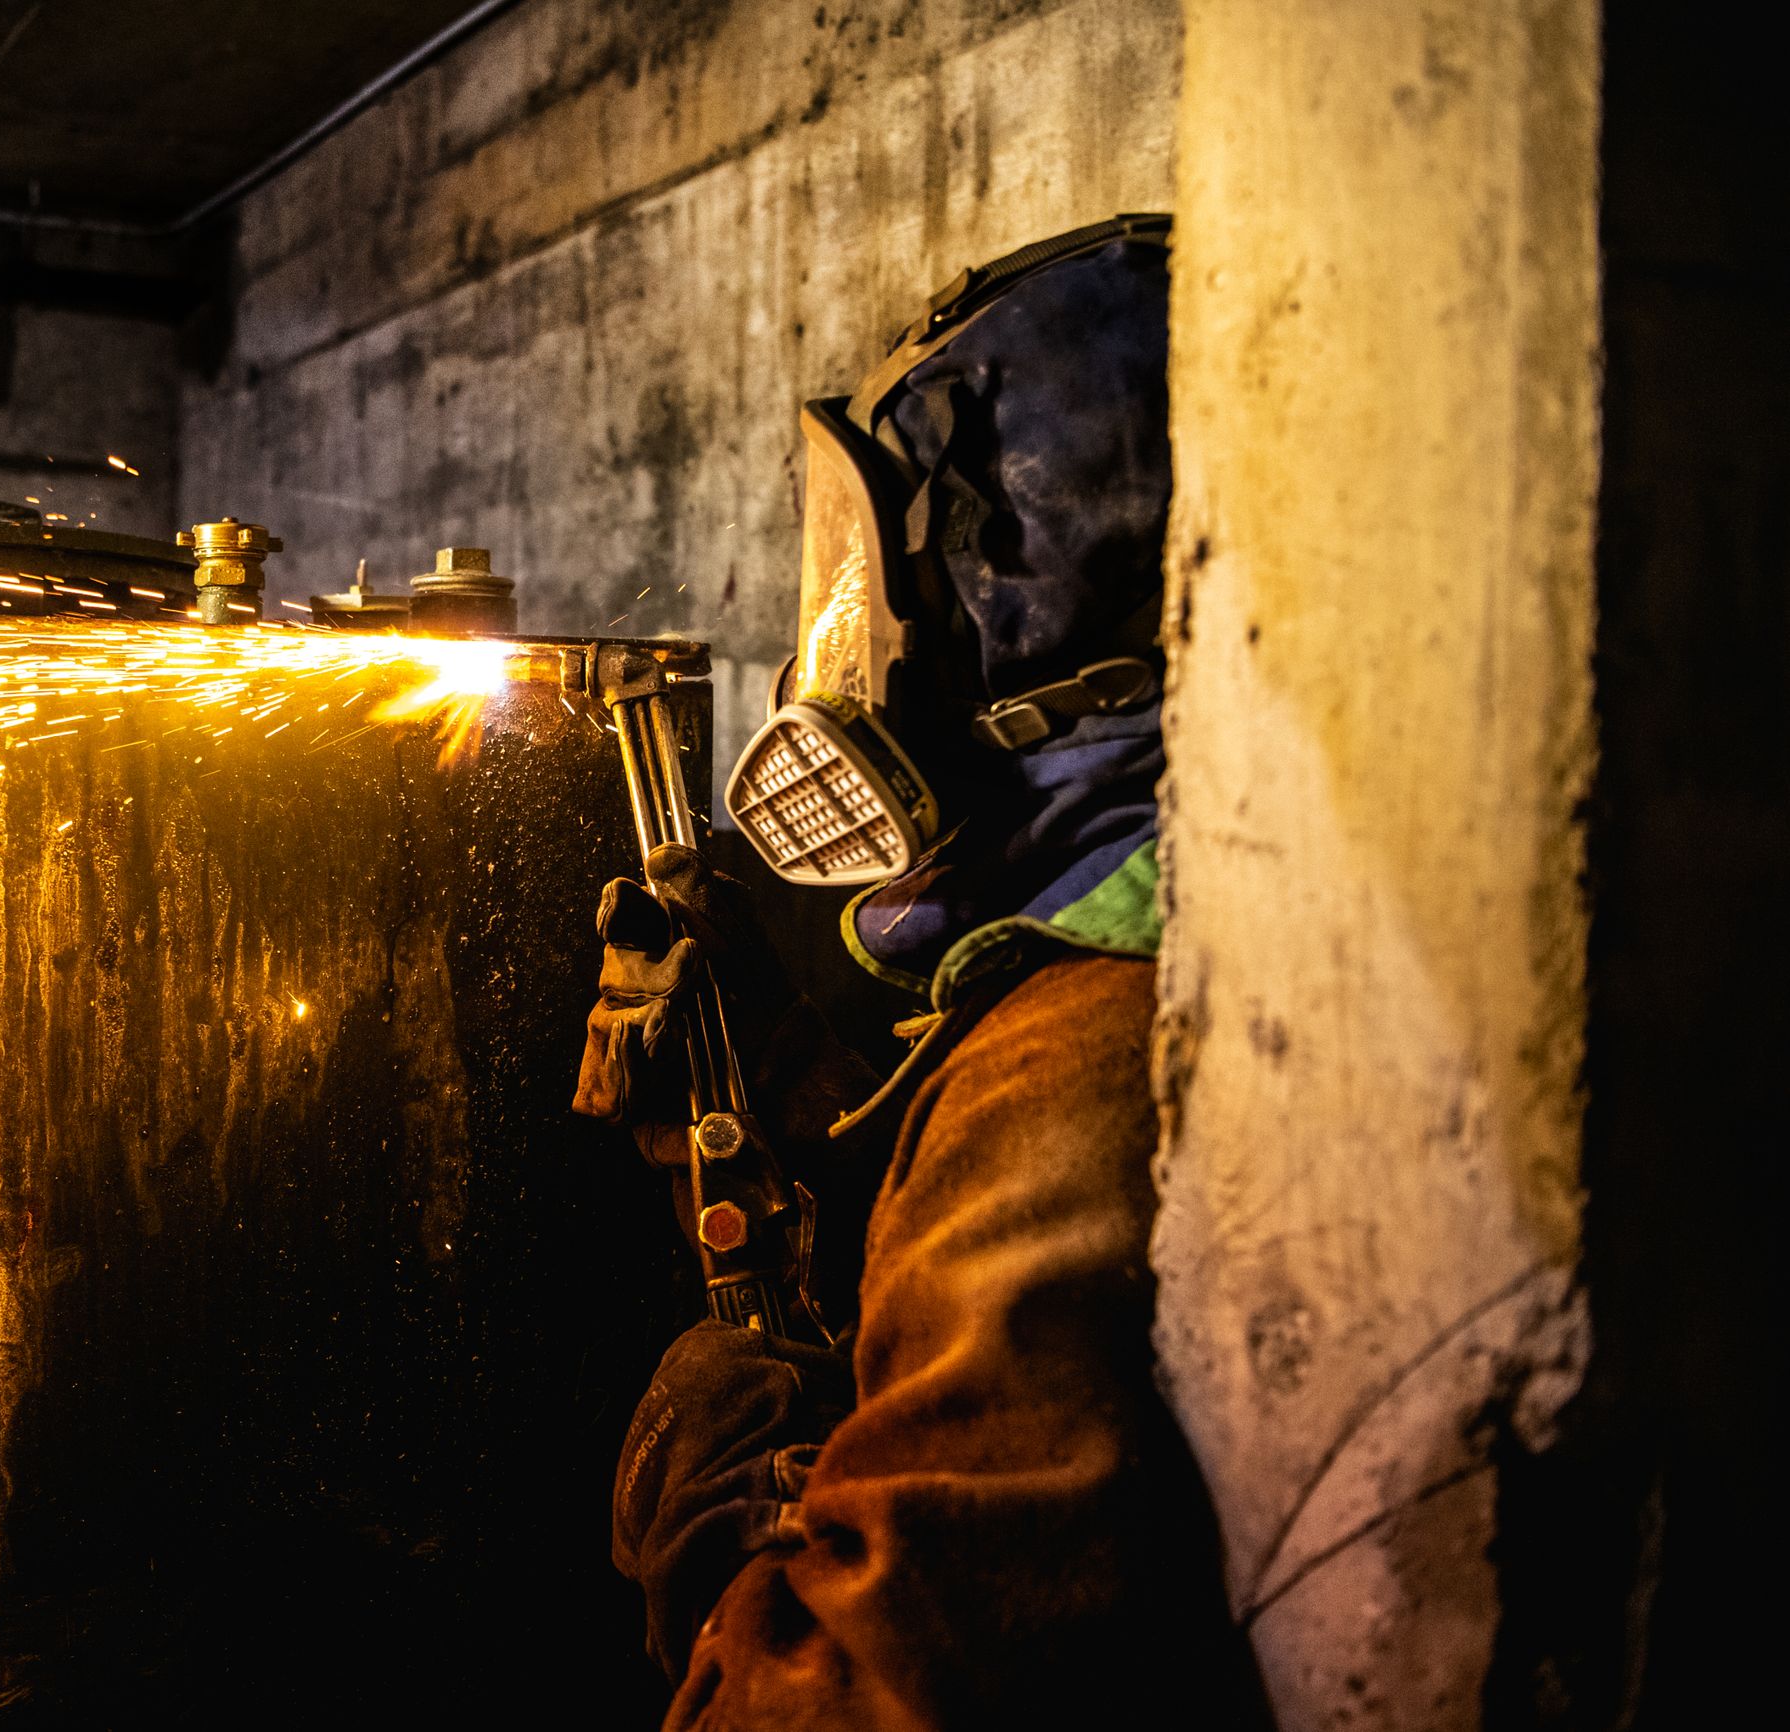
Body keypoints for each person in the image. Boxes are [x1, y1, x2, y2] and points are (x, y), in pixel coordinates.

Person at [575, 217, 1273, 1728]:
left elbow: (859, 1701)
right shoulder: (1240, 924)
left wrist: (711, 1523)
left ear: (983, 629)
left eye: (885, 590)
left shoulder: (1073, 1069)